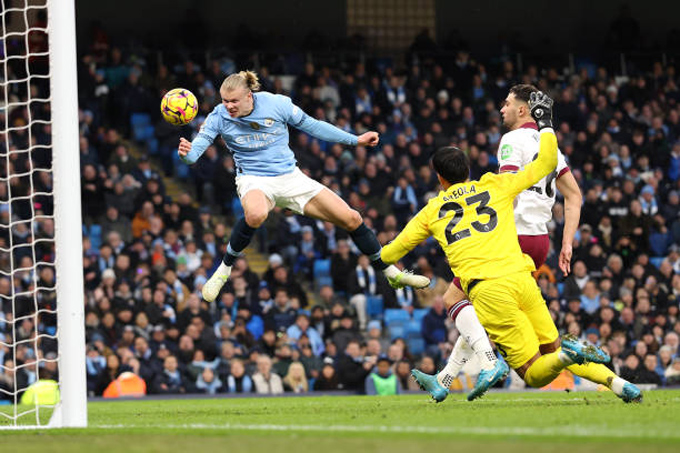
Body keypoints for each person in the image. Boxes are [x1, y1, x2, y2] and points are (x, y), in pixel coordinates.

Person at [383, 92, 619, 402]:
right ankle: (446, 377)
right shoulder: (542, 151)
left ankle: (487, 362)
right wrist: (566, 243)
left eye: (506, 103)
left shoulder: (508, 142)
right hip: (539, 237)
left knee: (459, 297)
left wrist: (391, 270)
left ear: (522, 109)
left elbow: (388, 253)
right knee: (499, 318)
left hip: (510, 237)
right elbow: (572, 193)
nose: (501, 107)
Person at [177, 70, 429, 303]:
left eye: (233, 101)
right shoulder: (218, 117)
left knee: (352, 218)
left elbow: (313, 126)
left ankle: (390, 272)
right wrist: (187, 153)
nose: (228, 106)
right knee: (256, 214)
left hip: (291, 178)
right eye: (224, 101)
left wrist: (356, 140)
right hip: (254, 179)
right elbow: (194, 153)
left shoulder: (277, 104)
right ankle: (224, 270)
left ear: (249, 95)